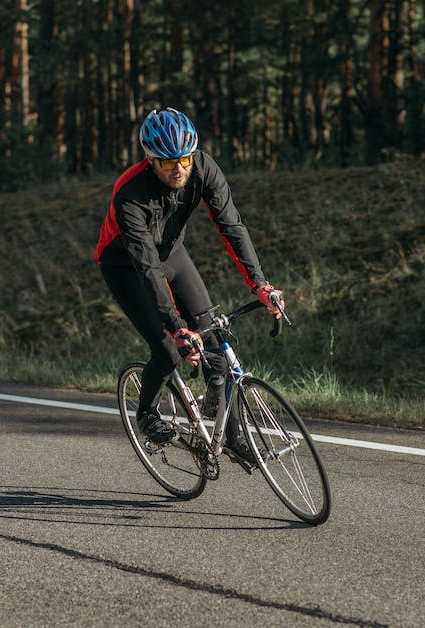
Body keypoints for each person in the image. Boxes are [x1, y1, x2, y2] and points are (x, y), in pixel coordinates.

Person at [94, 107, 284, 463]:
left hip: (172, 253)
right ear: (149, 160)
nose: (178, 169)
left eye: (184, 159)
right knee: (167, 348)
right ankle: (147, 413)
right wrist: (178, 328)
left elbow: (232, 227)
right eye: (167, 163)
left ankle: (228, 433)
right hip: (127, 266)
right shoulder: (129, 193)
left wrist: (260, 285)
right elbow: (148, 267)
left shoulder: (204, 167)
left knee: (215, 339)